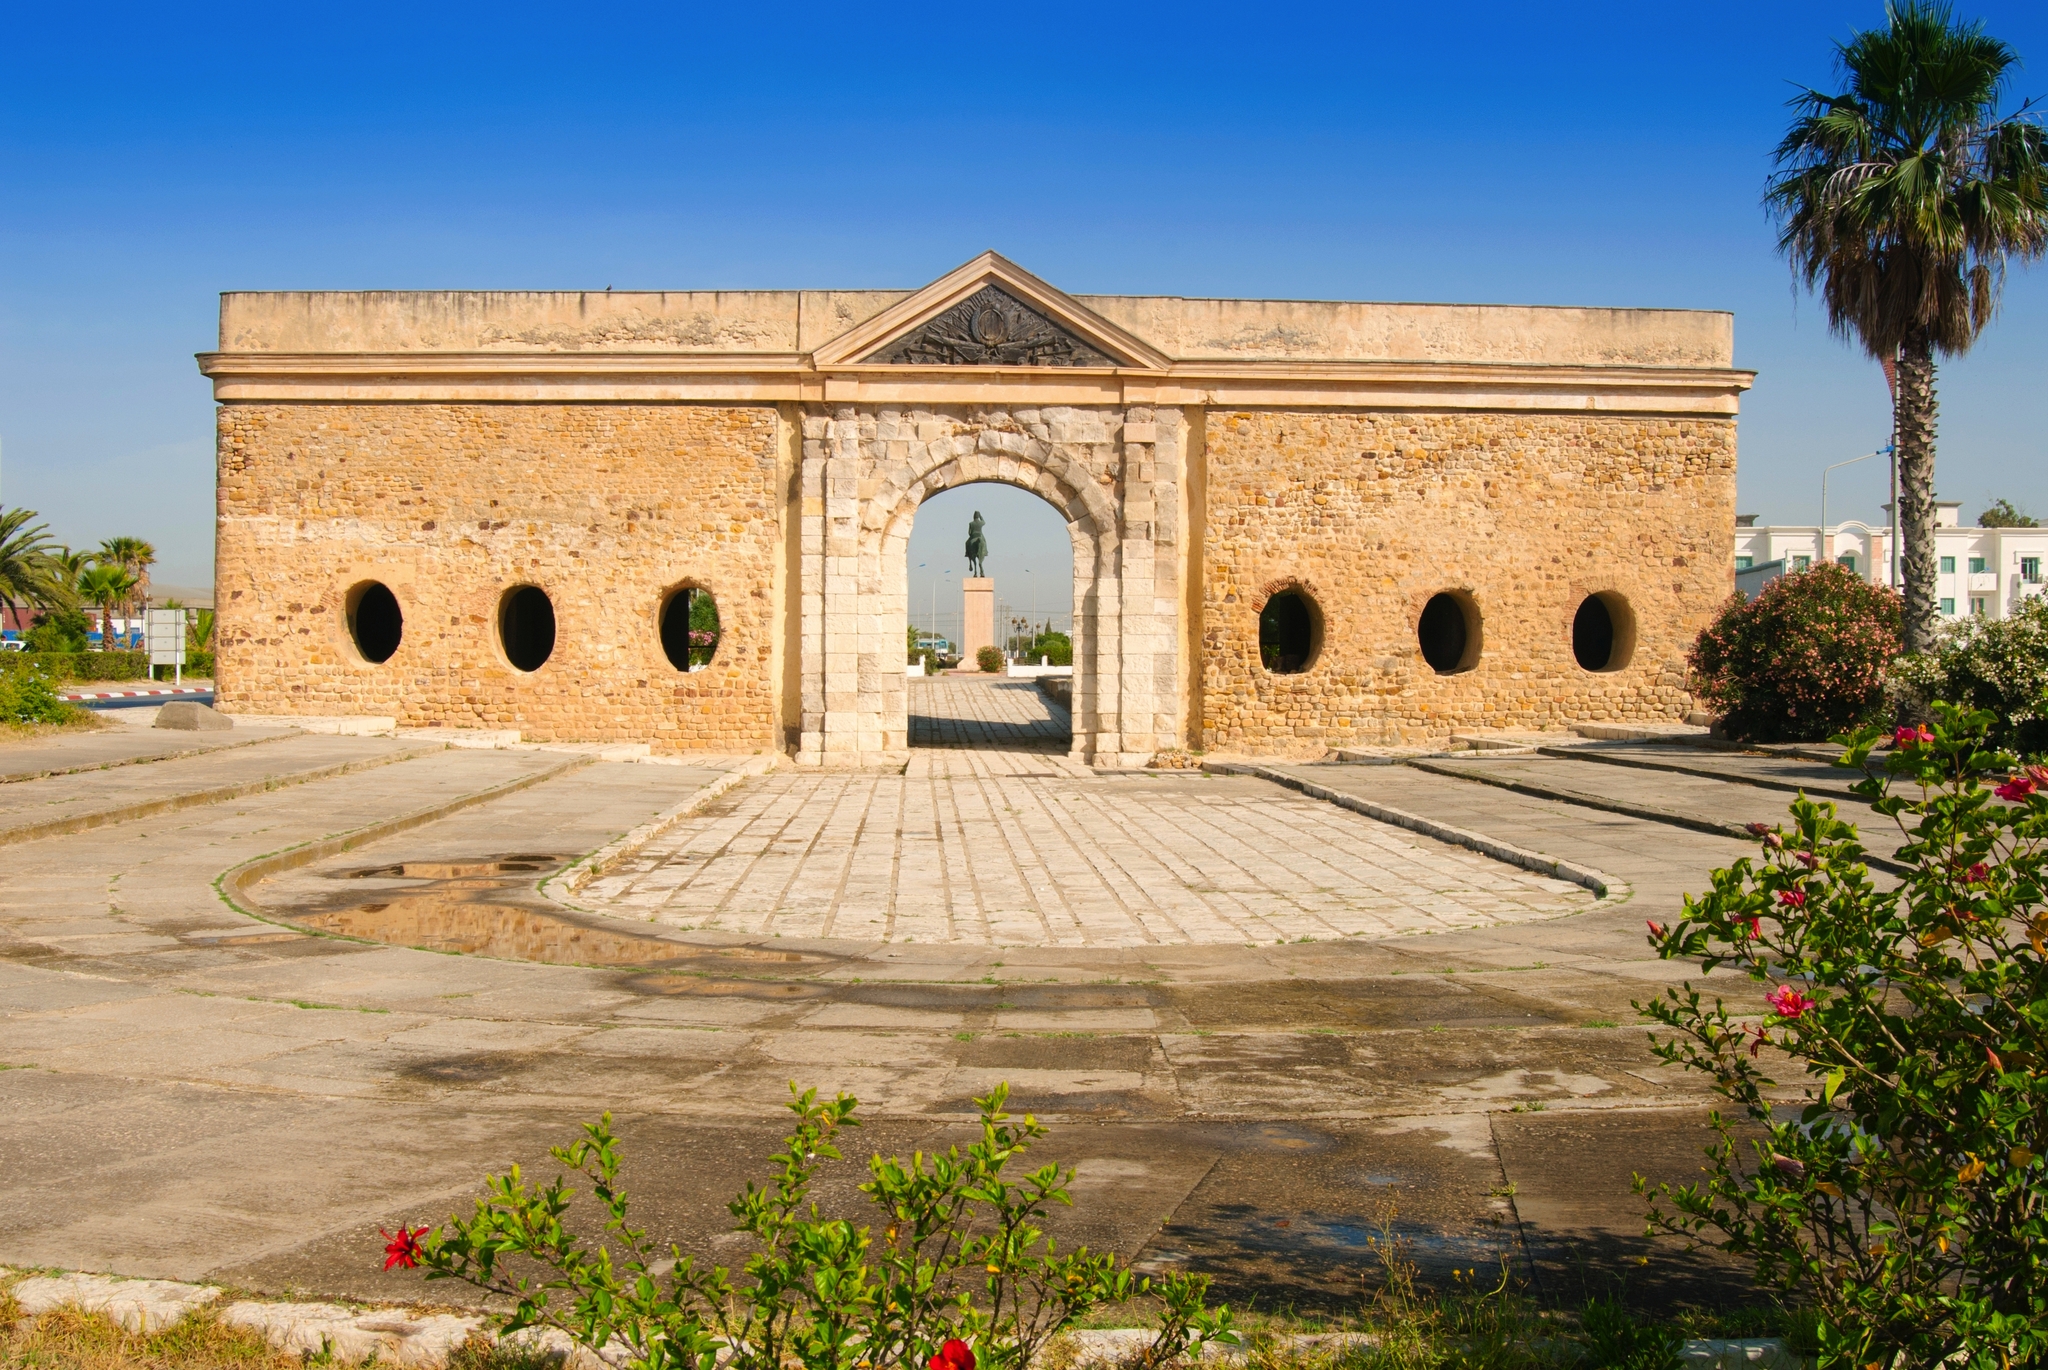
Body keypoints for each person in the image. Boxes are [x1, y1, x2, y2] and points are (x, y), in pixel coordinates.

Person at [965, 511, 989, 577]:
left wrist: (972, 535)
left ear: (973, 516)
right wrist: (981, 516)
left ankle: (967, 553)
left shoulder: (971, 523)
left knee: (966, 543)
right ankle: (985, 551)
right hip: (980, 536)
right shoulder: (980, 523)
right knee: (984, 541)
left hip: (973, 536)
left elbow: (969, 533)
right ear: (978, 516)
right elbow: (984, 522)